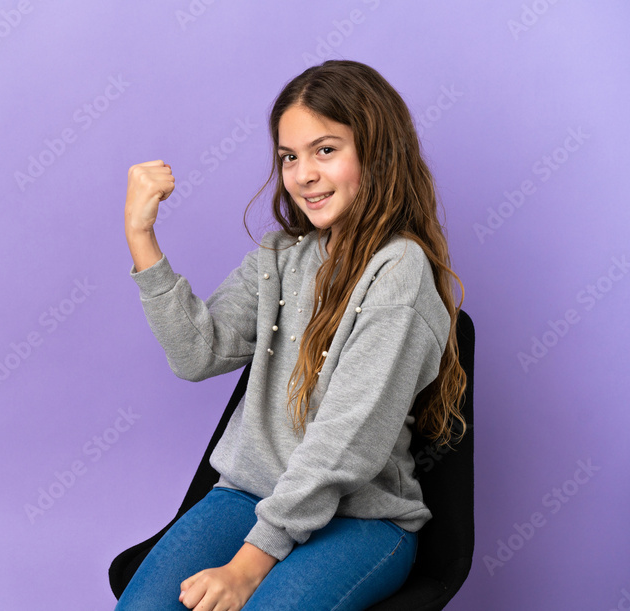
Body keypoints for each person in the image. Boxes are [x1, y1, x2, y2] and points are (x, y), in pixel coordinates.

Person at [115, 60, 467, 611]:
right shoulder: (280, 257)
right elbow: (196, 353)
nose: (302, 174)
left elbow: (345, 445)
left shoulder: (399, 271)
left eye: (325, 150)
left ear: (378, 152)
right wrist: (142, 236)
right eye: (289, 157)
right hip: (249, 496)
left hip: (361, 517)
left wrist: (248, 566)